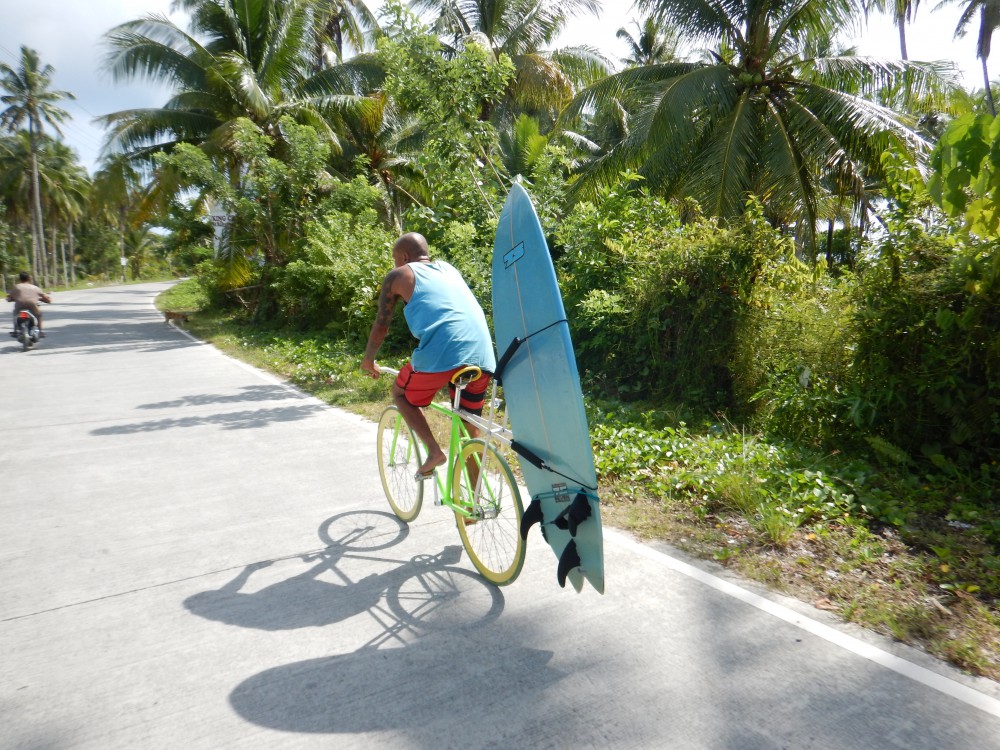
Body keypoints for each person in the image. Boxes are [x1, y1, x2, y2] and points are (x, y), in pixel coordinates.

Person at [361, 232, 496, 478]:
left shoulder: (399, 275)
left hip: (443, 354)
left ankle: (434, 452)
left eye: (395, 258)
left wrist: (369, 360)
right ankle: (475, 504)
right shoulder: (448, 269)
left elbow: (382, 325)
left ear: (403, 256)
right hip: (483, 355)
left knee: (400, 393)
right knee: (468, 427)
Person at [6, 271, 51, 337]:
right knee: (39, 315)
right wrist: (47, 300)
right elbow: (45, 298)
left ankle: (15, 331)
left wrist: (11, 299)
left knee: (15, 315)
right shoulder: (35, 288)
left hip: (19, 306)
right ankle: (41, 331)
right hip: (32, 305)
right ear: (29, 278)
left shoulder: (16, 287)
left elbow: (9, 298)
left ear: (20, 279)